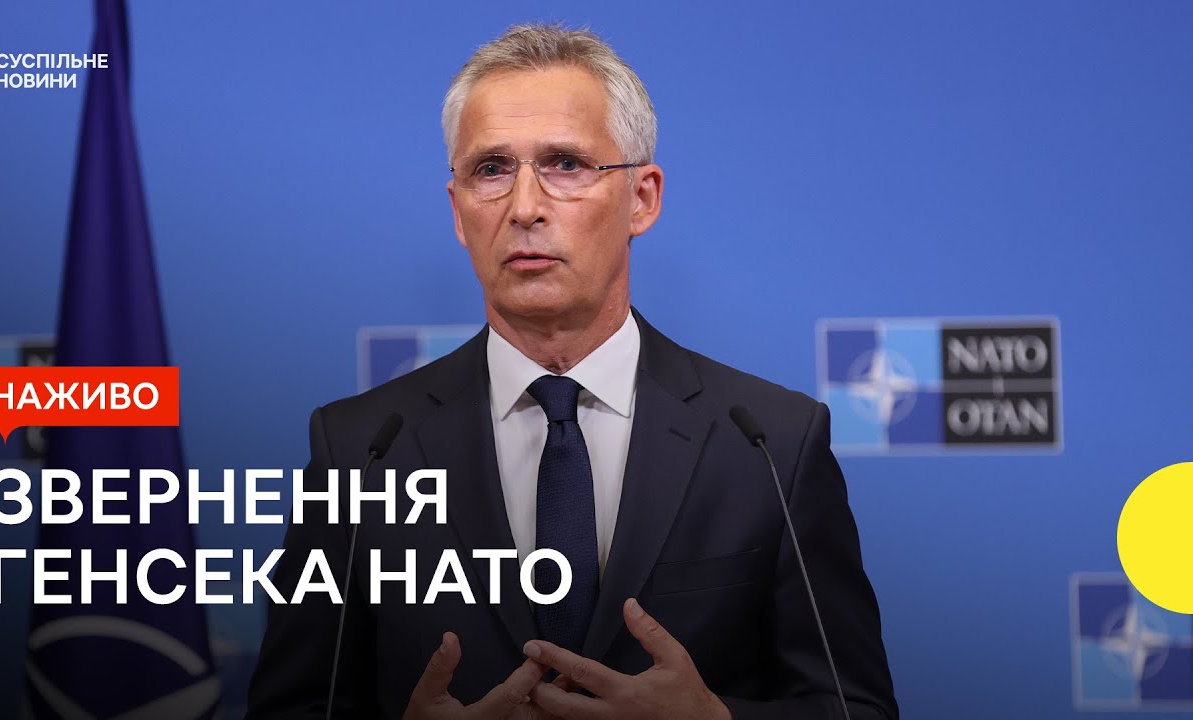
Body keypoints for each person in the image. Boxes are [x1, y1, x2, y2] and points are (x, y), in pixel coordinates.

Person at [247, 23, 897, 720]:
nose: (525, 207)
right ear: (458, 212)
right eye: (491, 170)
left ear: (642, 199)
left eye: (565, 164)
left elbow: (855, 708)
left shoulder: (769, 444)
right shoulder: (362, 449)